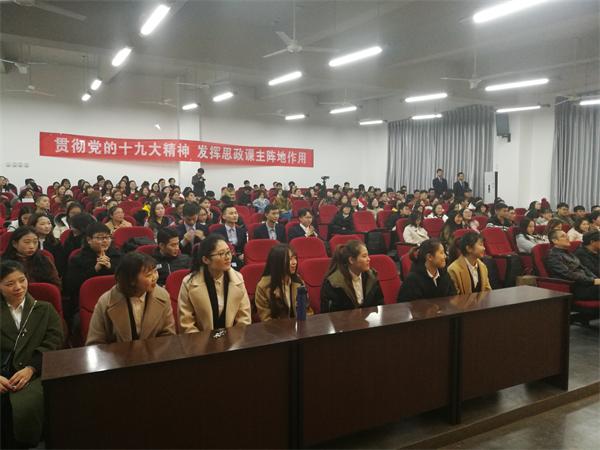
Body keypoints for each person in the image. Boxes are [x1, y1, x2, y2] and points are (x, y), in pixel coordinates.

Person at [0, 260, 63, 448]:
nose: (18, 287)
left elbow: (54, 343)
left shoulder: (44, 309)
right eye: (10, 284)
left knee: (29, 406)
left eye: (22, 280)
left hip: (36, 373)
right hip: (3, 373)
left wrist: (31, 368)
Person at [86, 252, 176, 345]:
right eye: (149, 275)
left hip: (154, 352)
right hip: (116, 354)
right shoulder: (106, 302)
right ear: (132, 280)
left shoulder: (163, 295)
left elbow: (168, 335)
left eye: (155, 271)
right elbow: (95, 343)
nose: (155, 277)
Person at [178, 234, 251, 332]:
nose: (228, 257)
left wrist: (235, 339)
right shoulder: (189, 283)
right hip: (201, 339)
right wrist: (202, 341)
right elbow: (186, 323)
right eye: (221, 254)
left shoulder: (238, 278)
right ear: (206, 259)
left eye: (228, 252)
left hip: (233, 337)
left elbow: (244, 318)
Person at [65, 222, 122, 323]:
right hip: (88, 303)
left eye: (107, 237)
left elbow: (127, 279)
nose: (105, 241)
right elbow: (70, 286)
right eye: (100, 238)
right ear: (89, 240)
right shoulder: (78, 259)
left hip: (117, 301)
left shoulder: (118, 256)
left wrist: (111, 267)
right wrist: (95, 269)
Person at [320, 240, 383, 312]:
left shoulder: (371, 277)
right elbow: (329, 314)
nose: (368, 259)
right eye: (364, 256)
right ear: (351, 260)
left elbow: (379, 305)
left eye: (368, 255)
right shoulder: (334, 283)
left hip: (369, 319)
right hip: (342, 319)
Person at [255, 244, 313, 321]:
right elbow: (266, 320)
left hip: (299, 326)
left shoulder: (298, 282)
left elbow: (307, 311)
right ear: (278, 262)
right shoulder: (263, 287)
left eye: (295, 258)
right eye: (290, 259)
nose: (294, 262)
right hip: (276, 328)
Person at [546, 229, 600, 300]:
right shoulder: (553, 256)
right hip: (575, 287)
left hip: (586, 283)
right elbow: (568, 274)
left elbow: (583, 268)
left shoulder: (568, 252)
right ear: (555, 241)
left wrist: (595, 279)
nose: (567, 237)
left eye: (567, 235)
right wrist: (592, 281)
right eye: (563, 236)